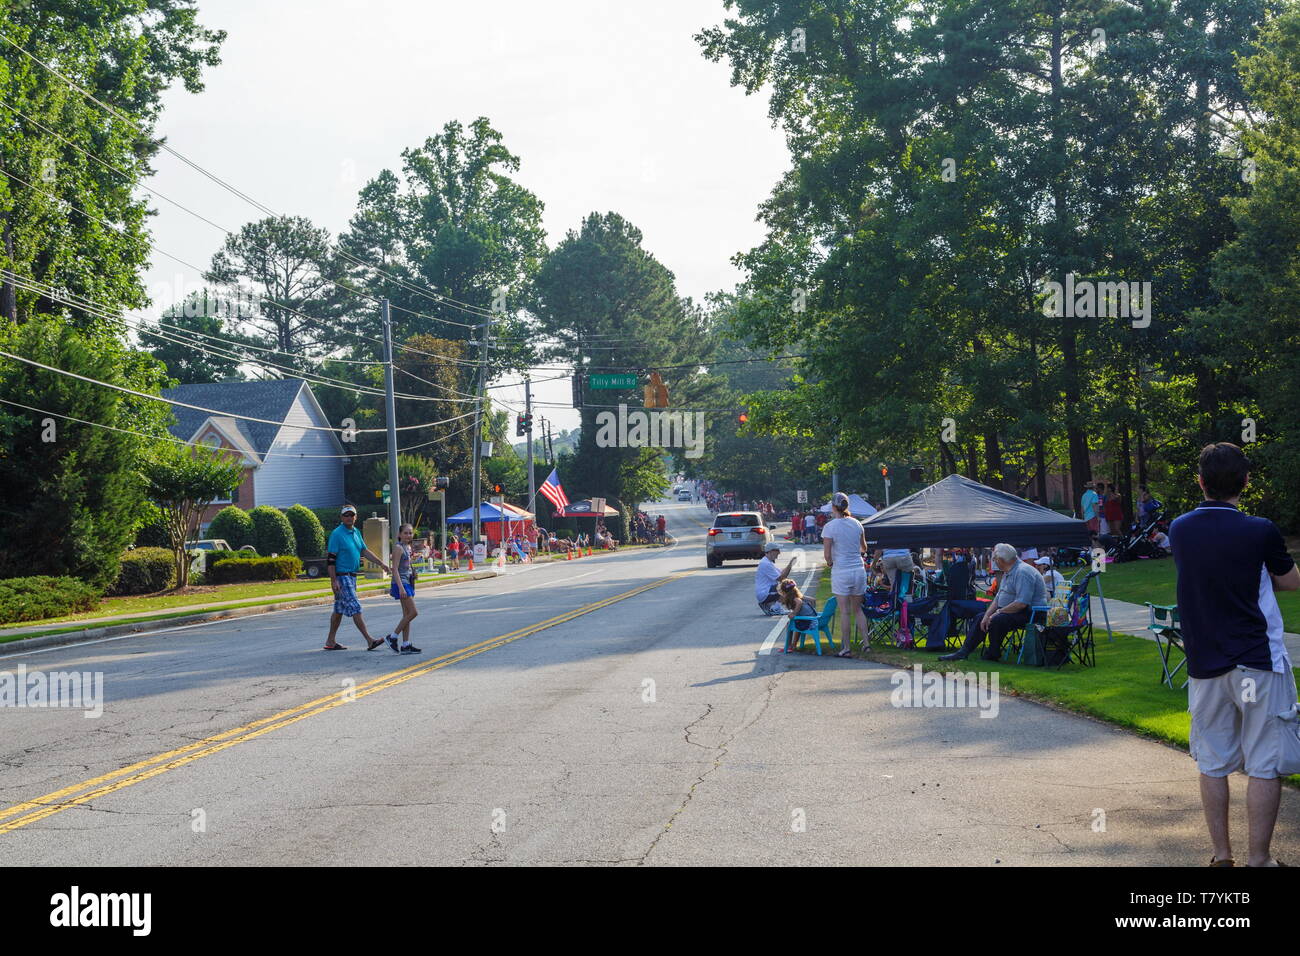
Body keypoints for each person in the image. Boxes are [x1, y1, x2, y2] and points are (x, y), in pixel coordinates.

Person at [1170, 442, 1300, 867]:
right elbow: (1290, 581)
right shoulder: (1260, 529)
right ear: (1246, 481)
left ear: (1201, 482)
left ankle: (1221, 855)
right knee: (1265, 763)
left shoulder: (1180, 529)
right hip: (1257, 659)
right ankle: (1258, 860)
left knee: (1213, 760)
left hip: (1206, 662)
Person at [940, 542, 1047, 661]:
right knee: (980, 617)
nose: (993, 561)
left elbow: (1021, 603)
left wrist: (997, 613)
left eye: (994, 559)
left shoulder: (1023, 572)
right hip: (1012, 611)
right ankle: (963, 652)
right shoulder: (1009, 571)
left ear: (1001, 560)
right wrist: (987, 615)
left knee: (997, 620)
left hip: (1031, 613)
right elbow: (998, 599)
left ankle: (993, 653)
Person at [323, 504, 391, 651]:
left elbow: (364, 551)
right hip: (342, 576)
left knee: (339, 609)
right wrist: (333, 580)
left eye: (351, 515)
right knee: (355, 607)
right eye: (346, 515)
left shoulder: (356, 532)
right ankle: (369, 640)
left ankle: (330, 641)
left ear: (356, 517)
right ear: (341, 517)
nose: (349, 517)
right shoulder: (337, 534)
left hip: (352, 576)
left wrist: (381, 564)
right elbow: (330, 560)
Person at [821, 491, 873, 659]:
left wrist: (830, 563)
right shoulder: (857, 524)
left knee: (844, 611)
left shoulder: (830, 527)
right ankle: (866, 644)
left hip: (841, 571)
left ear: (834, 507)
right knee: (858, 609)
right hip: (858, 569)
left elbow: (827, 555)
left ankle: (847, 648)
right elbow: (864, 548)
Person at [378, 522, 421, 654]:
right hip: (401, 584)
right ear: (399, 534)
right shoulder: (398, 548)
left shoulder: (407, 547)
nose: (408, 535)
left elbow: (405, 566)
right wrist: (401, 588)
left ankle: (406, 644)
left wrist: (412, 572)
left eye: (410, 533)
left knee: (406, 615)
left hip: (407, 581)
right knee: (413, 612)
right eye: (405, 533)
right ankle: (392, 637)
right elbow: (394, 569)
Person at [755, 542, 796, 615]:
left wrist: (790, 564)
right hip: (765, 592)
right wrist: (790, 565)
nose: (779, 553)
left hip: (767, 590)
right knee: (788, 586)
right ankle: (775, 609)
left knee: (789, 584)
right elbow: (781, 578)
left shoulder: (768, 562)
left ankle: (769, 606)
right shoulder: (765, 564)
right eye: (777, 550)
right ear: (771, 551)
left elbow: (782, 573)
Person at [779, 578, 818, 649]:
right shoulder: (799, 596)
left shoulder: (795, 598)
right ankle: (794, 644)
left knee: (789, 624)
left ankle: (789, 645)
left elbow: (799, 602)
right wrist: (811, 610)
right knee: (796, 622)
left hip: (809, 622)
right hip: (813, 619)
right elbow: (813, 600)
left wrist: (794, 613)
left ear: (785, 592)